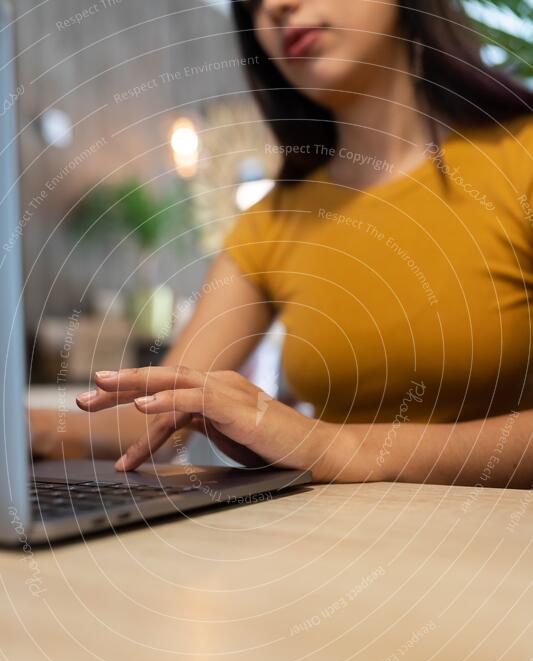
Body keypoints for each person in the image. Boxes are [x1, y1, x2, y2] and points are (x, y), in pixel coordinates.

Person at [32, 0, 533, 486]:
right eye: (252, 3)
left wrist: (339, 446)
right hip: (331, 547)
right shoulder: (272, 219)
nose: (276, 7)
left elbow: (333, 448)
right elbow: (155, 419)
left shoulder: (521, 157)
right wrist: (30, 427)